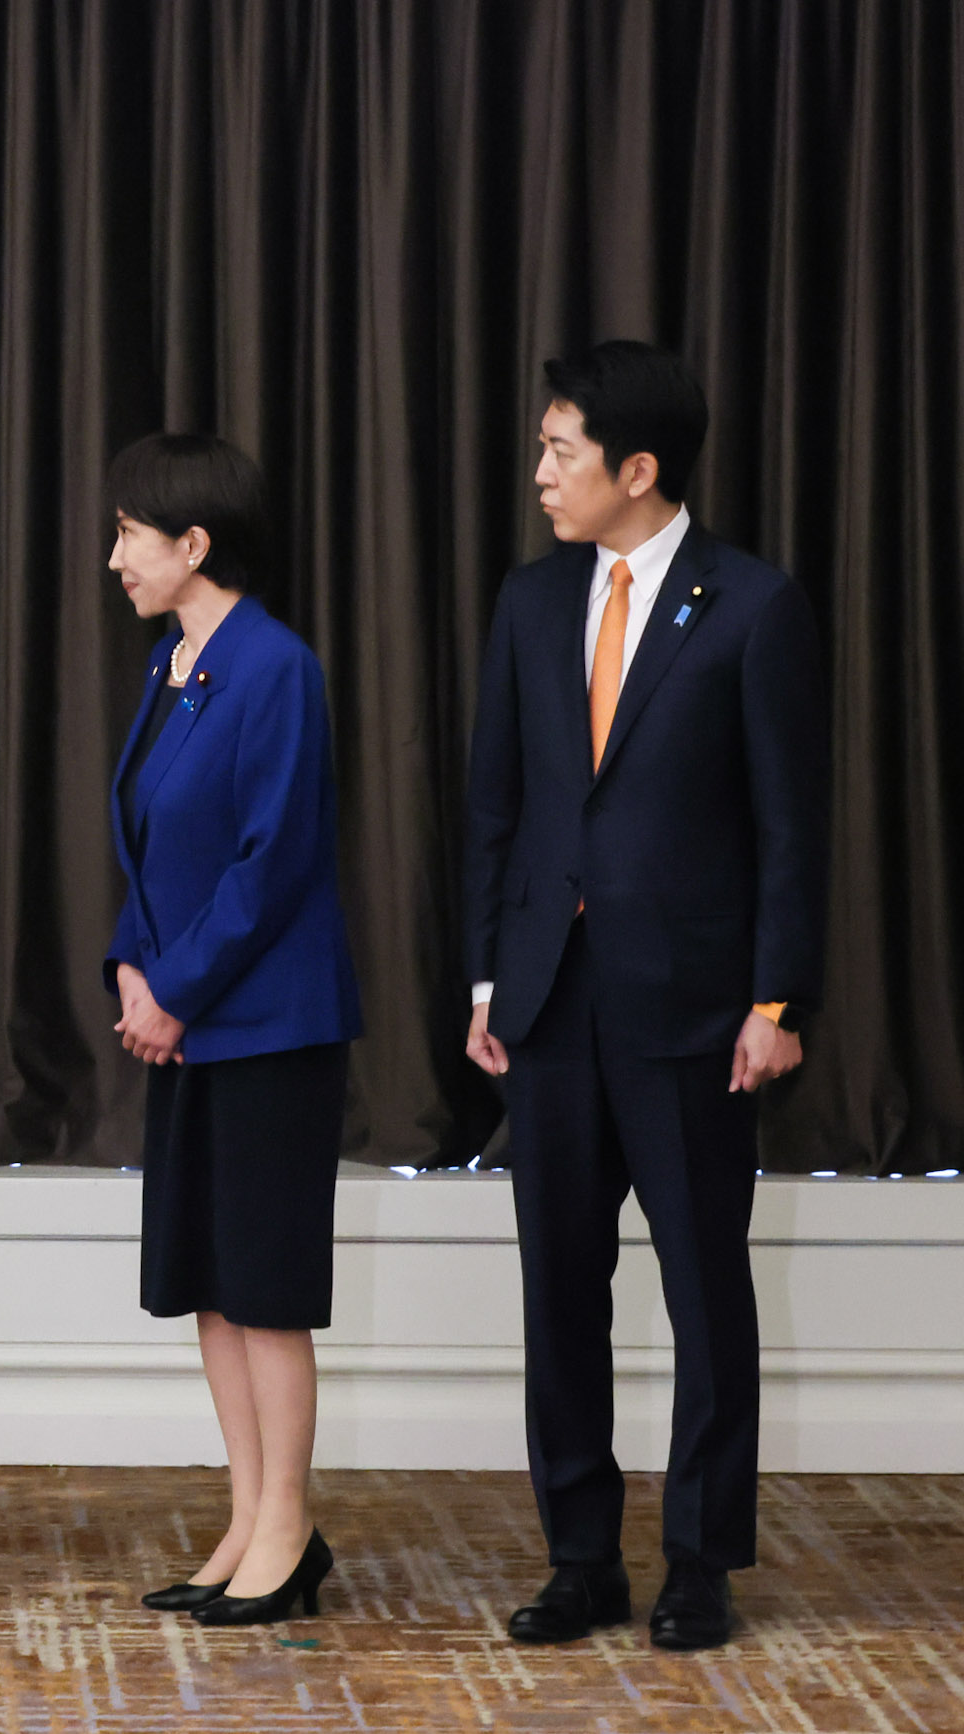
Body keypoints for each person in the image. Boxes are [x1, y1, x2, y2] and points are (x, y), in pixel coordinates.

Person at [465, 341, 827, 1652]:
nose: (543, 472)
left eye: (562, 450)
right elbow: (497, 805)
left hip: (691, 1013)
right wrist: (490, 973)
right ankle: (579, 1556)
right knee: (558, 1290)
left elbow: (793, 825)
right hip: (550, 1009)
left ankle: (698, 1560)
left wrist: (778, 1000)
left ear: (640, 469)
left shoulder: (752, 606)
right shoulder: (529, 600)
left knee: (704, 1293)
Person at [102, 433, 363, 1627]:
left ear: (191, 543)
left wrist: (173, 989)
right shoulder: (173, 661)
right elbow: (153, 844)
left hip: (263, 1027)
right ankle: (248, 1517)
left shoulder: (275, 666)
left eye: (128, 535)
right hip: (191, 1022)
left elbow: (270, 864)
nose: (113, 559)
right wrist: (127, 964)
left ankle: (288, 1531)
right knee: (210, 1283)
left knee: (263, 1288)